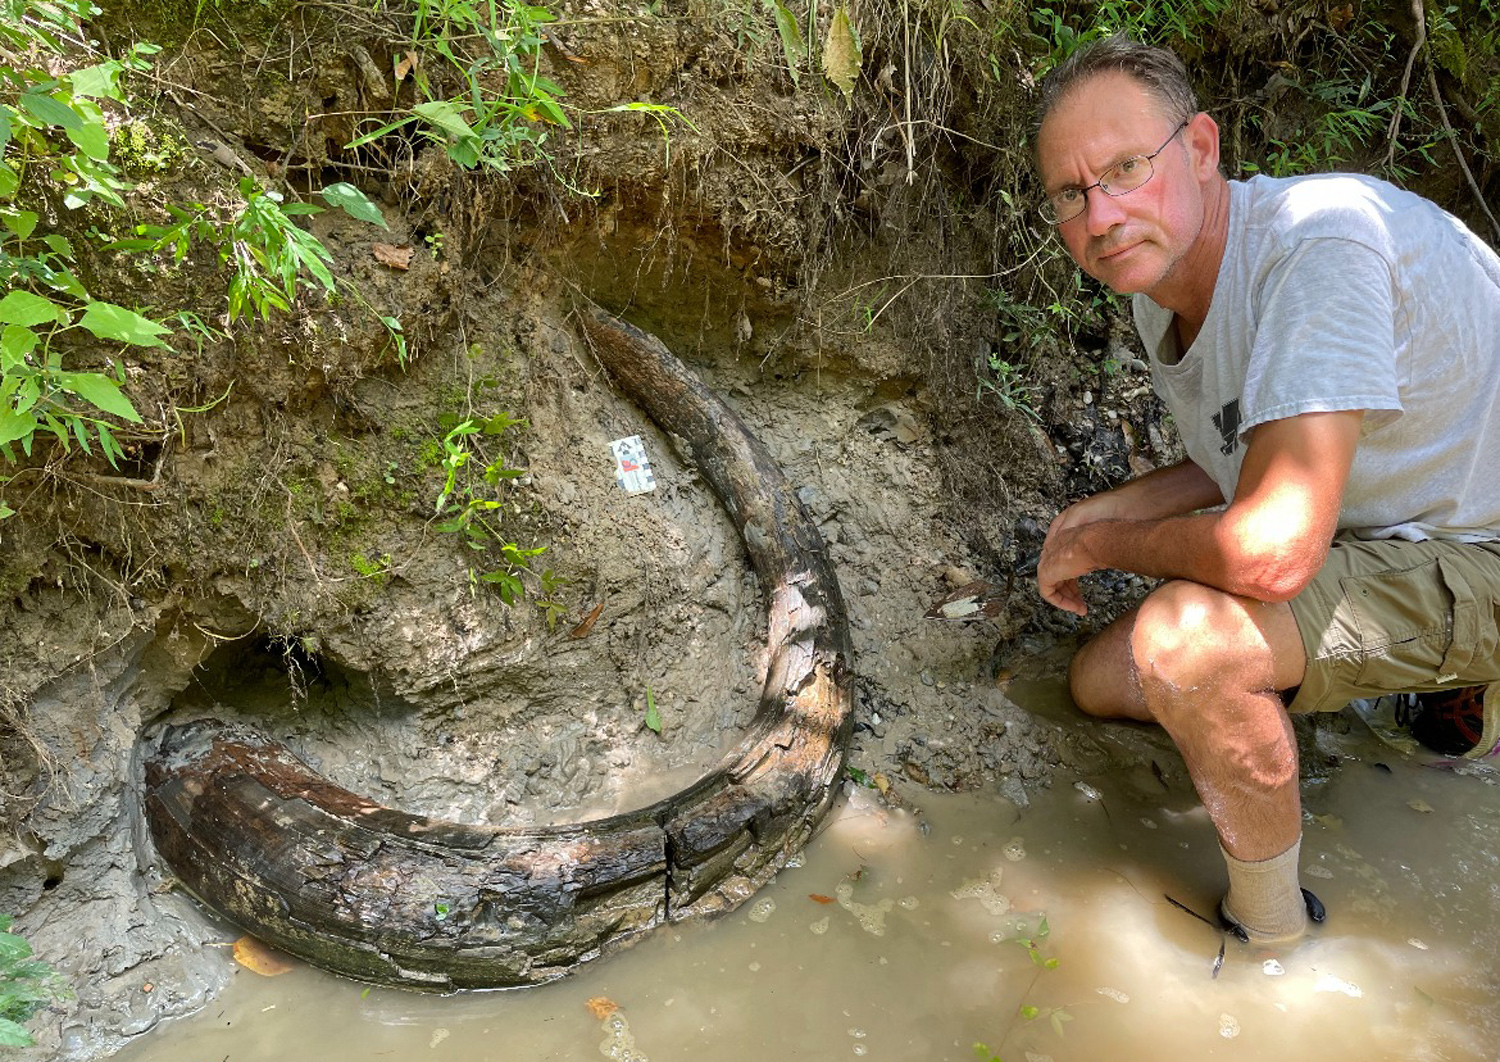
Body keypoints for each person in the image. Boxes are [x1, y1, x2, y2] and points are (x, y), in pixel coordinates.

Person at [1030, 35, 1500, 946]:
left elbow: (1270, 548)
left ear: (1201, 150)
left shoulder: (1317, 244)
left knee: (1189, 644)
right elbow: (1253, 441)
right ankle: (1364, 697)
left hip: (1483, 546)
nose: (1102, 214)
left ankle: (1275, 937)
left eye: (1127, 168)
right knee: (1102, 680)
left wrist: (1104, 544)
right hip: (1383, 525)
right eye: (1071, 194)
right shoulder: (1158, 280)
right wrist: (1108, 509)